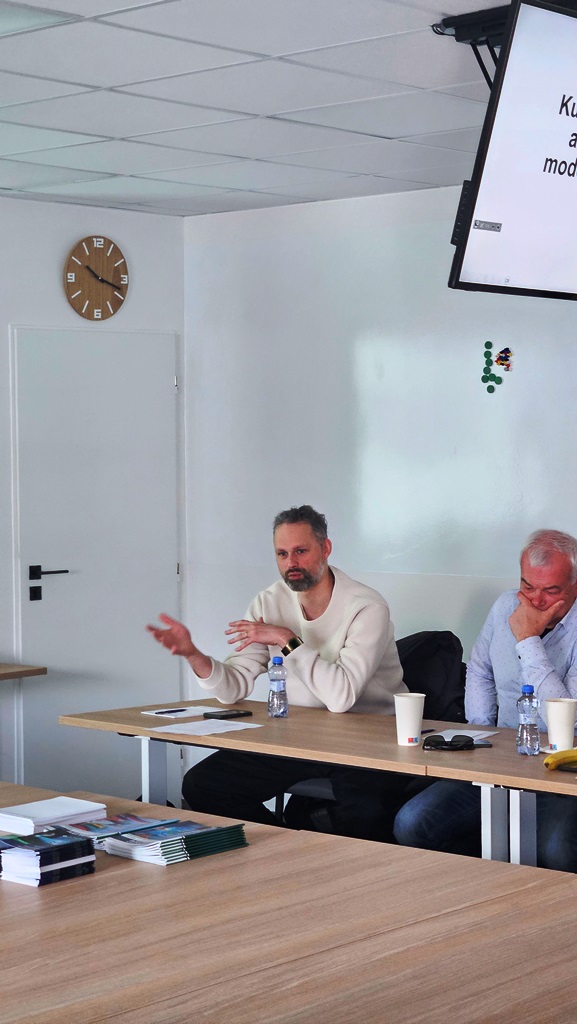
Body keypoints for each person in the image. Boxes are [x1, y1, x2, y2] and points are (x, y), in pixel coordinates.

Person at [147, 504, 408, 840]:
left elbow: (341, 697)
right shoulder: (268, 602)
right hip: (300, 737)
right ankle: (285, 848)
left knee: (365, 812)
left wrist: (286, 639)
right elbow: (234, 687)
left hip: (367, 741)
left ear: (325, 548)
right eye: (282, 554)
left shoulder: (366, 606)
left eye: (301, 551)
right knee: (203, 785)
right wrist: (193, 655)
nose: (291, 563)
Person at [393, 528, 577, 870]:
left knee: (557, 850)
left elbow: (567, 717)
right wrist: (481, 735)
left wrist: (528, 640)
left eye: (551, 591)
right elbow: (480, 669)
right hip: (497, 763)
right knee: (412, 823)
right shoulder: (505, 605)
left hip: (561, 772)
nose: (536, 601)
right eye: (528, 586)